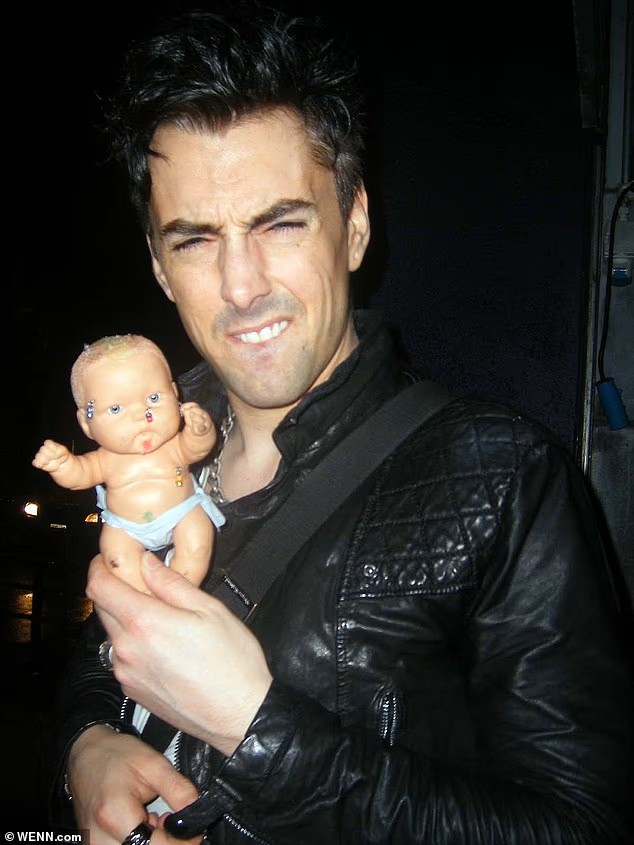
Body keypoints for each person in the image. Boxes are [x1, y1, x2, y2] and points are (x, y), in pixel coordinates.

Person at [49, 5, 634, 844]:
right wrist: (88, 744)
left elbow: (584, 826)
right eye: (196, 241)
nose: (242, 285)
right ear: (159, 264)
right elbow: (102, 655)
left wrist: (256, 728)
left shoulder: (506, 478)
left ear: (355, 224)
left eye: (281, 223)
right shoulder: (144, 451)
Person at [33, 334, 225, 593]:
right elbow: (80, 475)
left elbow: (197, 448)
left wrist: (200, 431)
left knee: (197, 540)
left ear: (174, 393)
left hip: (181, 512)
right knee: (117, 557)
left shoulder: (173, 445)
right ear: (86, 423)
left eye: (154, 398)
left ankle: (179, 585)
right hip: (126, 527)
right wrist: (62, 464)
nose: (140, 416)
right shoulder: (104, 460)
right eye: (115, 409)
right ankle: (141, 592)